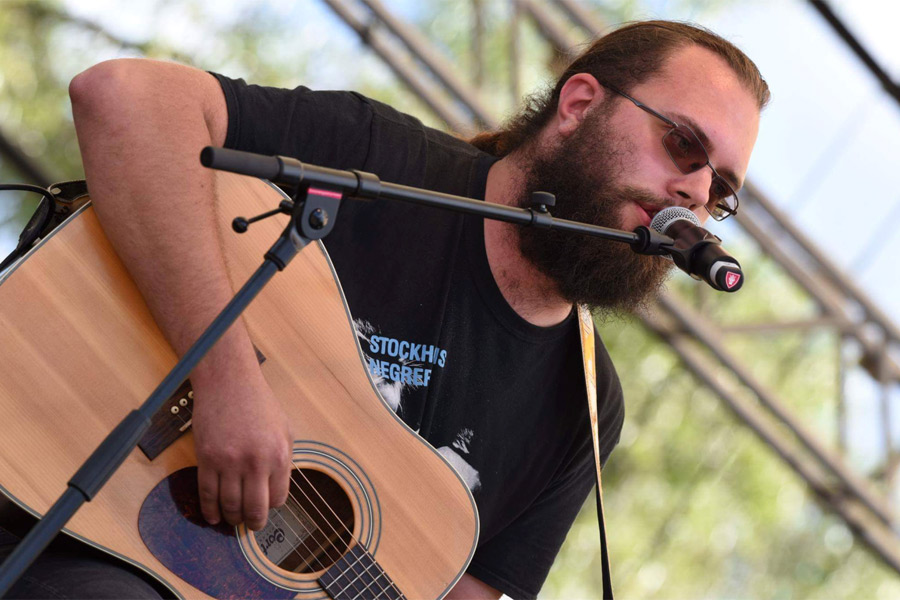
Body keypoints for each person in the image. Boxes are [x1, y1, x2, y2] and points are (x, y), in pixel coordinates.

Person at [1, 19, 768, 600]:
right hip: (56, 476)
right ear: (578, 104)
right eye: (682, 146)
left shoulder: (584, 407)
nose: (697, 193)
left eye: (721, 189)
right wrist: (228, 381)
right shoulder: (383, 160)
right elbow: (124, 99)